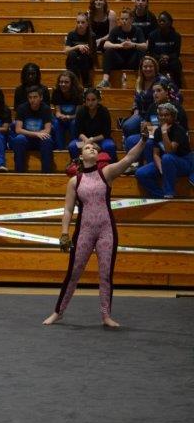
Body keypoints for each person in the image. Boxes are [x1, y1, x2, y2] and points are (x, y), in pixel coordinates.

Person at [43, 131, 150, 328]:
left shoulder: (106, 173)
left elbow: (129, 158)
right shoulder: (75, 181)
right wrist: (64, 233)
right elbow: (68, 209)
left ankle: (106, 315)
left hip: (106, 230)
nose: (91, 148)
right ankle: (58, 312)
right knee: (74, 272)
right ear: (81, 156)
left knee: (105, 274)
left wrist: (143, 140)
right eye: (87, 147)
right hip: (84, 231)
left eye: (94, 147)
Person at [135, 104, 192, 198]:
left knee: (167, 157)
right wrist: (161, 169)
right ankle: (160, 196)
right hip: (165, 163)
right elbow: (156, 154)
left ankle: (169, 193)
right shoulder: (157, 131)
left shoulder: (179, 130)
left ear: (173, 116)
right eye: (161, 115)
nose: (163, 117)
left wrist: (164, 132)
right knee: (141, 173)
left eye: (166, 115)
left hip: (183, 163)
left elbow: (170, 151)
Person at [121, 56, 177, 140]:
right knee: (127, 126)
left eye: (151, 66)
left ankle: (150, 143)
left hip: (157, 114)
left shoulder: (163, 80)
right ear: (141, 68)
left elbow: (177, 96)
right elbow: (136, 99)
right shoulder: (139, 81)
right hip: (141, 114)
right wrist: (135, 111)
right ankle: (134, 143)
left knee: (149, 133)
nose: (148, 69)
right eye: (145, 66)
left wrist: (167, 110)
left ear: (155, 68)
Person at [98, 8, 147, 88]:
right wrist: (120, 45)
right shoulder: (116, 30)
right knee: (108, 52)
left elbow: (145, 46)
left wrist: (133, 44)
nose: (124, 21)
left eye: (126, 19)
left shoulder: (138, 30)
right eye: (122, 19)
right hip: (119, 60)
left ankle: (141, 80)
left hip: (132, 60)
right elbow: (106, 45)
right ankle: (105, 81)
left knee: (141, 52)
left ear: (131, 20)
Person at [12, 85, 54, 173]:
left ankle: (46, 173)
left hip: (40, 140)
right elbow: (18, 130)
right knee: (19, 139)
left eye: (35, 97)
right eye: (30, 97)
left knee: (47, 140)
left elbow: (48, 130)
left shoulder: (46, 109)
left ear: (41, 98)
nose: (32, 100)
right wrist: (36, 134)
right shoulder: (21, 108)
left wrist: (38, 134)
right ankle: (19, 173)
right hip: (26, 139)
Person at [70, 87, 116, 162]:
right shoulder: (81, 111)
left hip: (101, 140)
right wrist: (88, 142)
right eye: (88, 100)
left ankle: (110, 167)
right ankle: (77, 166)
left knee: (109, 146)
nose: (90, 103)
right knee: (73, 146)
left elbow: (106, 133)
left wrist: (92, 140)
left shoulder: (104, 111)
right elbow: (78, 132)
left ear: (98, 100)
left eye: (93, 100)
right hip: (84, 141)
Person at [148, 11, 183, 88]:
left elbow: (176, 53)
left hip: (170, 60)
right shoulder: (152, 35)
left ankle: (177, 87)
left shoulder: (176, 36)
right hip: (157, 59)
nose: (161, 23)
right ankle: (152, 87)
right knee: (151, 64)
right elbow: (150, 52)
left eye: (163, 21)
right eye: (159, 21)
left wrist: (168, 57)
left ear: (170, 23)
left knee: (176, 64)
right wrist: (160, 57)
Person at [51, 71, 84, 149]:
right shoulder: (56, 92)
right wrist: (60, 116)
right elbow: (57, 112)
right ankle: (60, 149)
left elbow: (78, 114)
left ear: (72, 83)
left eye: (66, 82)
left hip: (73, 118)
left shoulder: (78, 92)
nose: (63, 84)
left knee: (74, 123)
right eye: (61, 82)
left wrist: (68, 117)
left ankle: (73, 147)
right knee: (56, 122)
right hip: (62, 119)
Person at [64, 12, 97, 87]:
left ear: (87, 24)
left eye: (82, 22)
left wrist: (86, 50)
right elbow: (66, 51)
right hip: (73, 60)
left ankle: (86, 84)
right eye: (78, 22)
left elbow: (93, 54)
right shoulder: (71, 34)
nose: (80, 24)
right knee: (72, 54)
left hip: (86, 60)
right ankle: (75, 82)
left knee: (84, 55)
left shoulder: (92, 35)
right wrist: (78, 46)